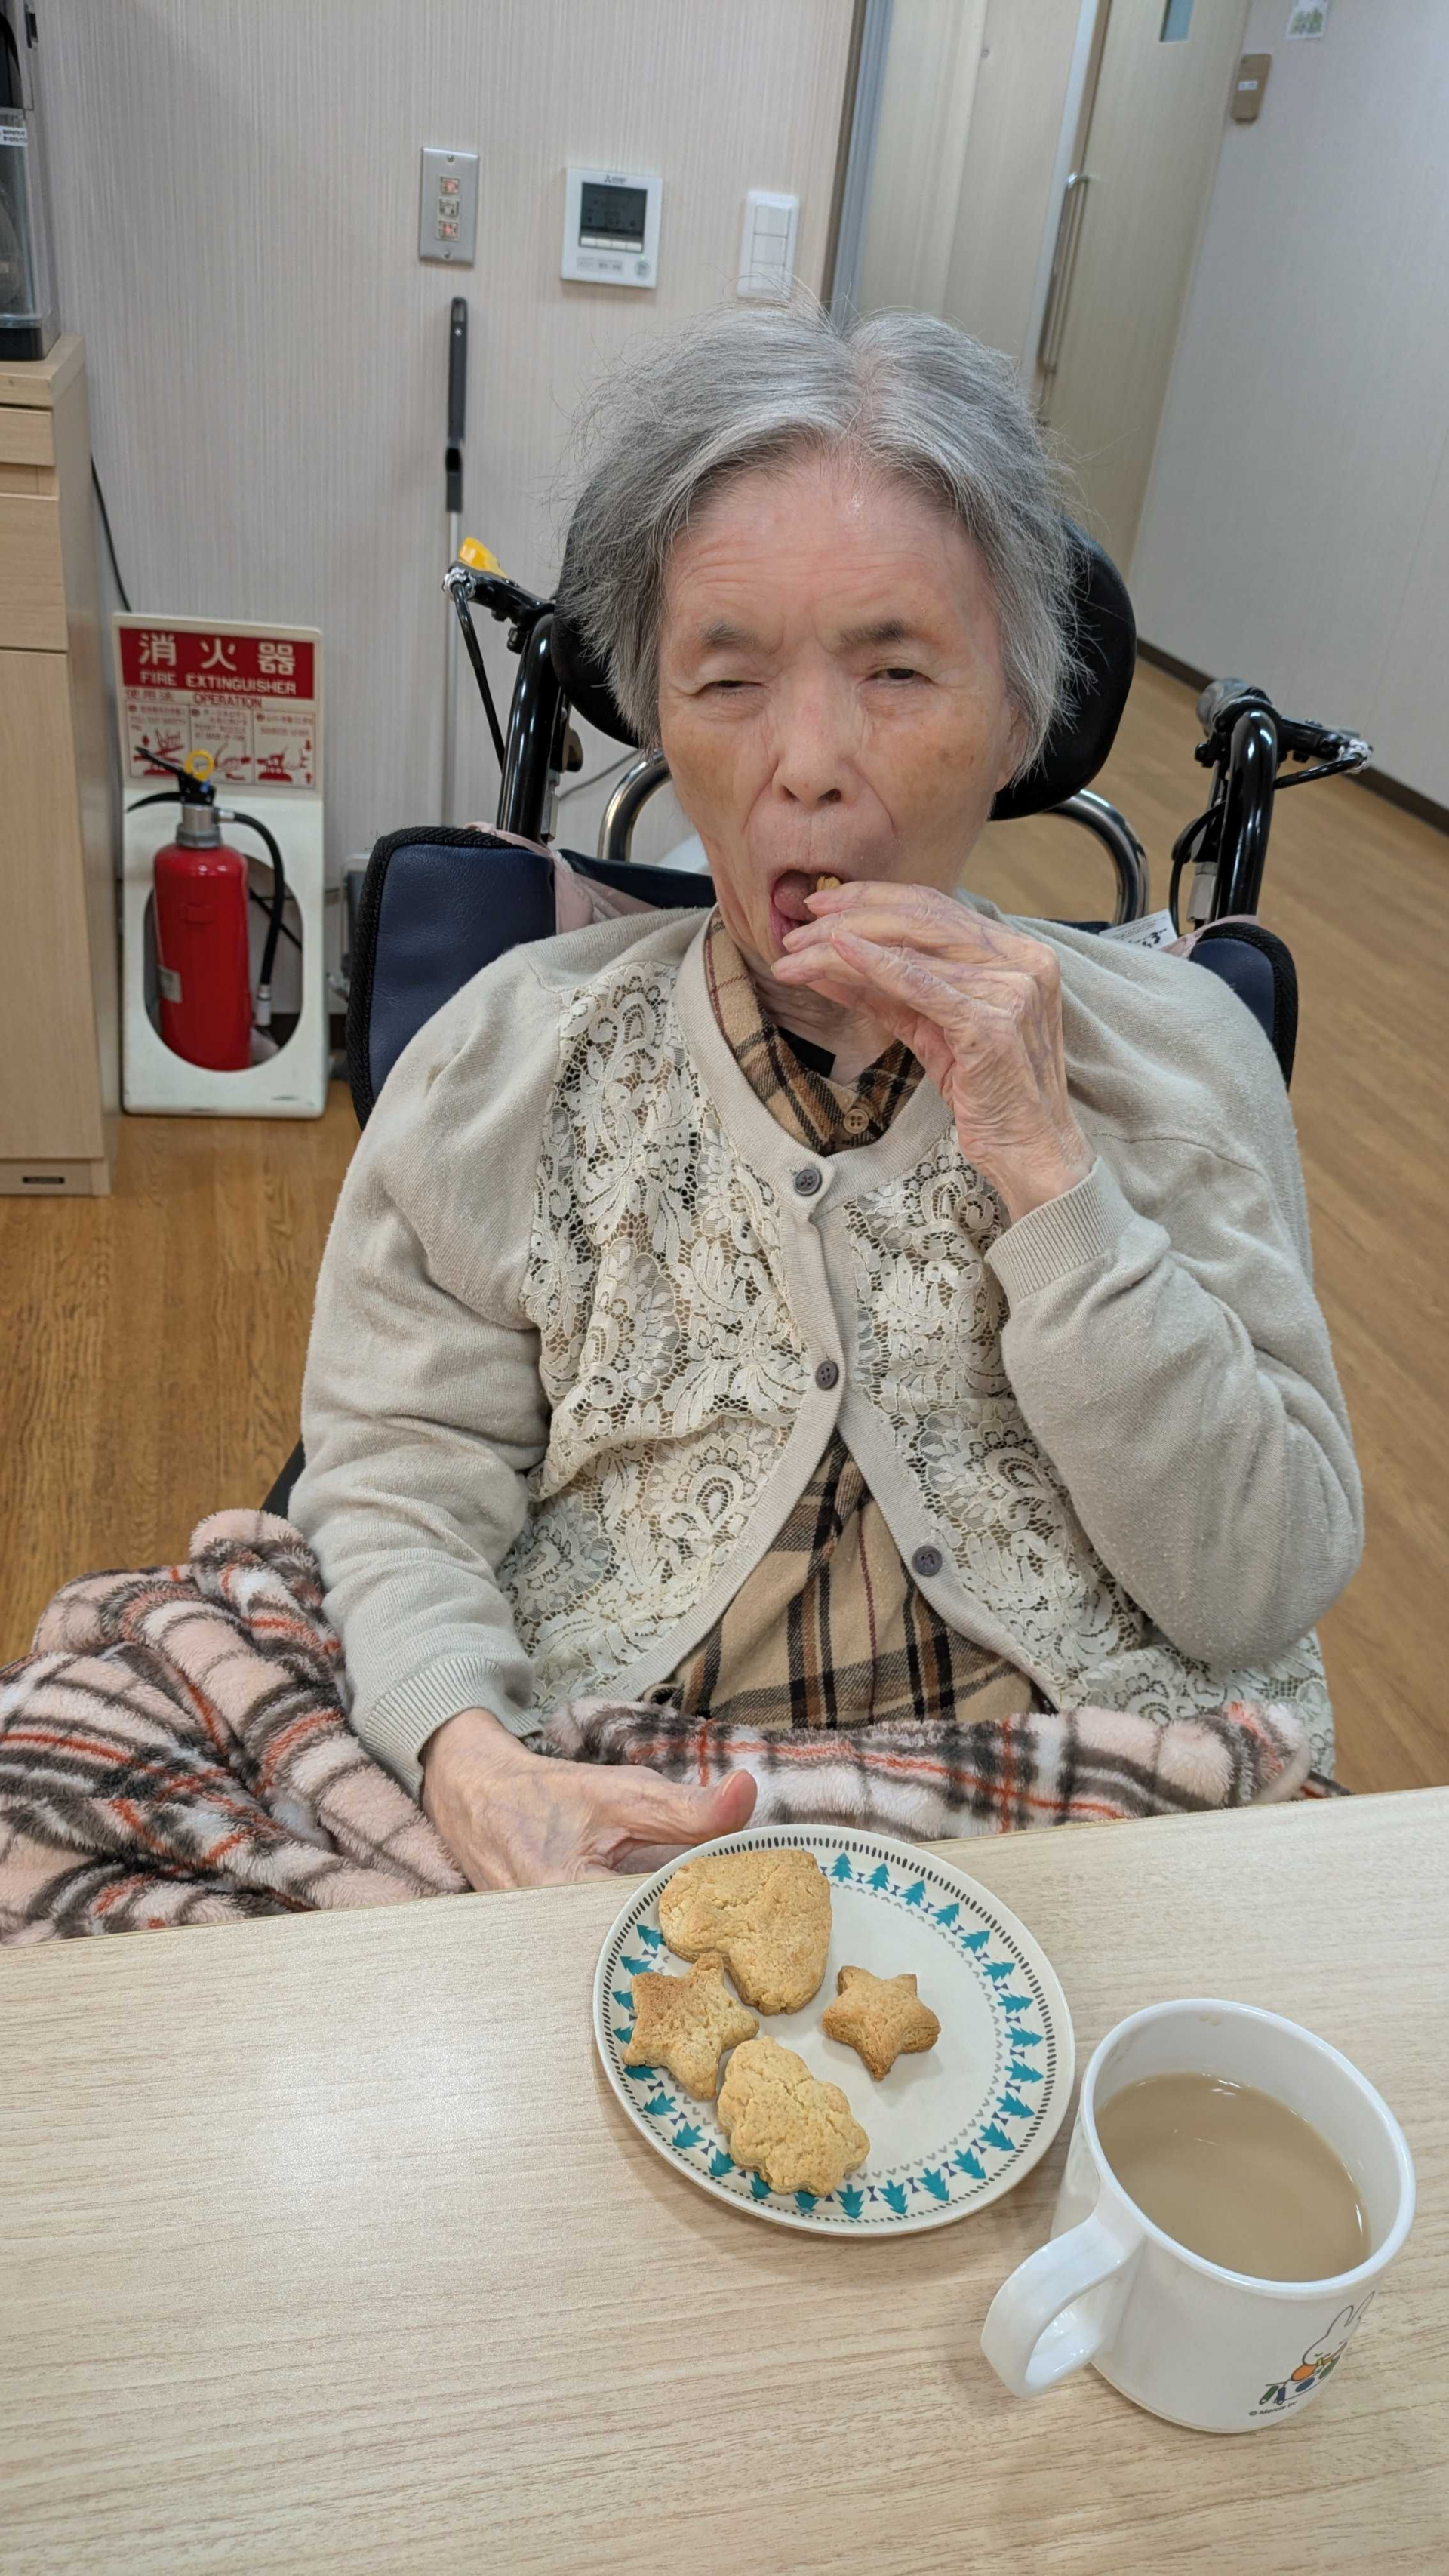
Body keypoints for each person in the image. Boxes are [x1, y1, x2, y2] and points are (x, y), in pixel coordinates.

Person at [291, 302, 1361, 1891]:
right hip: (618, 1800)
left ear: (1018, 715)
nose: (808, 763)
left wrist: (1050, 1171)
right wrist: (472, 1756)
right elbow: (394, 1480)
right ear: (658, 715)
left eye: (897, 670)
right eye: (727, 681)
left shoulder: (1182, 1057)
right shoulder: (504, 1062)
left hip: (1096, 1814)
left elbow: (1258, 1585)